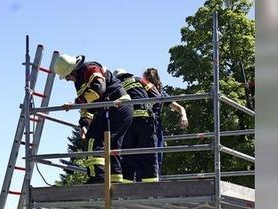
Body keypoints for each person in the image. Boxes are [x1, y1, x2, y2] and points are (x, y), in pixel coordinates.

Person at [53, 53, 133, 183]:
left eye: (66, 76)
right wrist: (84, 124)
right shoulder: (79, 80)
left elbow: (99, 88)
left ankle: (98, 178)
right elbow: (88, 105)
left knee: (93, 140)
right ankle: (115, 183)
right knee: (111, 147)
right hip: (116, 109)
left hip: (115, 107)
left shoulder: (90, 68)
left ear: (71, 71)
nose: (67, 80)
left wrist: (75, 103)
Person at [113, 69, 160, 182]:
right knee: (148, 155)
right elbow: (157, 95)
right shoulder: (140, 80)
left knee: (127, 157)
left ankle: (125, 191)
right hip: (145, 121)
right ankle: (151, 189)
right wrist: (148, 106)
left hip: (128, 123)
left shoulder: (116, 86)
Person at [142, 68, 189, 177]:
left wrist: (183, 114)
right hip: (144, 127)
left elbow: (179, 107)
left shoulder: (160, 93)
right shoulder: (141, 92)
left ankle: (153, 187)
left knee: (156, 158)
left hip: (154, 128)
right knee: (147, 158)